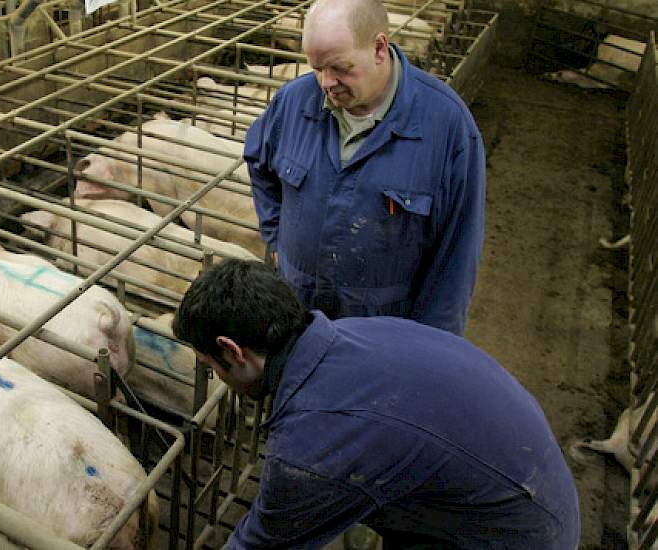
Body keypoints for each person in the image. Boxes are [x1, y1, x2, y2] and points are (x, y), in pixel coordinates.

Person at [172, 259, 580, 550]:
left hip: (516, 533)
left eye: (211, 367)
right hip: (530, 485)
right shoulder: (351, 333)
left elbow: (262, 541)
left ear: (233, 351)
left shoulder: (313, 443)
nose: (217, 378)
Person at [245, 0, 486, 335]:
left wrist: (432, 347)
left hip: (382, 334)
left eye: (340, 68)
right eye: (316, 68)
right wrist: (276, 239)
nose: (326, 82)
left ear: (379, 47)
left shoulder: (447, 128)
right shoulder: (293, 102)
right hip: (297, 318)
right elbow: (259, 163)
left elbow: (456, 258)